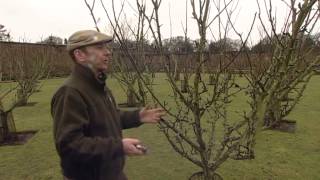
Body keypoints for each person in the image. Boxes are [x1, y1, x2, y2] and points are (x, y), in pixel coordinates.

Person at [51, 30, 165, 180]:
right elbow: (70, 145)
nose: (107, 52)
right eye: (99, 47)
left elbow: (108, 116)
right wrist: (118, 146)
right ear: (80, 55)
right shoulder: (70, 93)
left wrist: (138, 116)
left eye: (106, 47)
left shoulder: (98, 85)